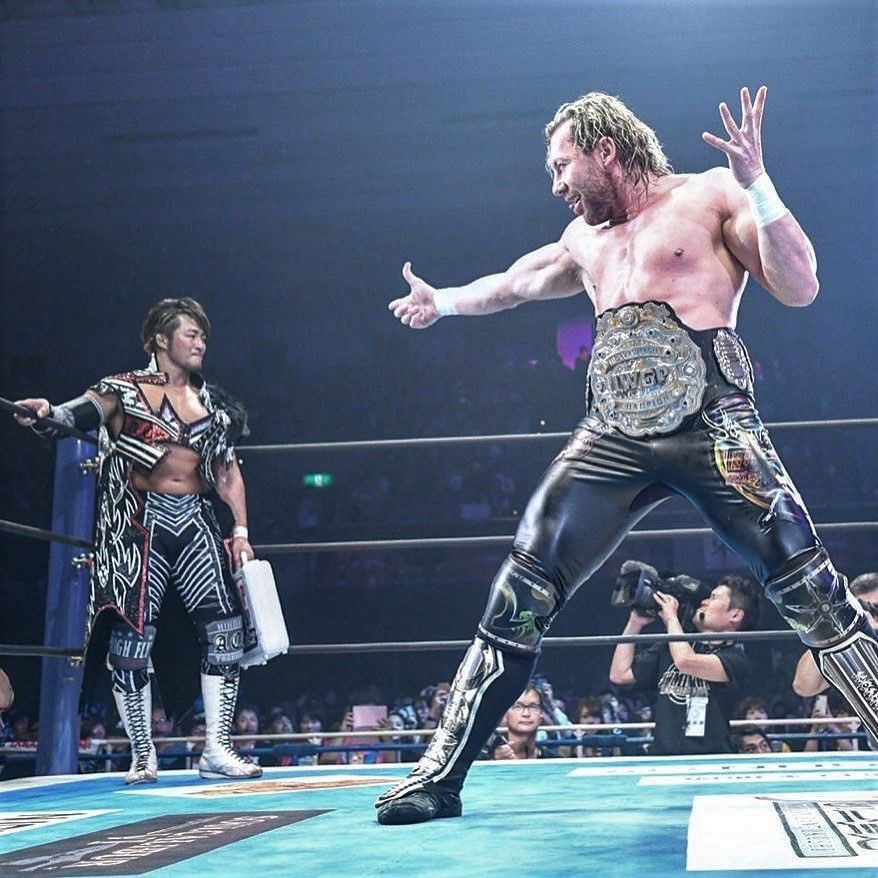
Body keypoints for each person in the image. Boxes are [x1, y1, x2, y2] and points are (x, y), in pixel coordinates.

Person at [375, 86, 878, 825]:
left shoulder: (709, 196)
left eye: (561, 164)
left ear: (604, 148)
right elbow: (513, 285)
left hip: (716, 423)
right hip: (611, 433)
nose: (554, 184)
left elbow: (800, 286)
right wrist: (443, 301)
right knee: (521, 589)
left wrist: (758, 183)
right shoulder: (585, 241)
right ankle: (438, 774)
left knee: (810, 587)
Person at [13, 298, 262, 784]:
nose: (200, 343)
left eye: (203, 336)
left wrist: (241, 530)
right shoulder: (123, 390)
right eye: (190, 334)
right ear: (160, 340)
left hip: (194, 519)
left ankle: (217, 748)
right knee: (132, 636)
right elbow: (78, 413)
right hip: (137, 523)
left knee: (226, 628)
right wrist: (49, 411)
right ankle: (142, 754)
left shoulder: (213, 402)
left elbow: (228, 471)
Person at [609, 575, 757, 755]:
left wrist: (672, 619)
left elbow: (685, 662)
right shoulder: (672, 646)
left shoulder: (736, 658)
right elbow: (620, 674)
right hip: (663, 757)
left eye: (713, 598)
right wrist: (634, 624)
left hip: (710, 759)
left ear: (735, 615)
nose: (704, 602)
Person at [792, 573, 878, 697]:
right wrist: (835, 631)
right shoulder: (849, 649)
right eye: (865, 608)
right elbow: (804, 686)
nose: (872, 614)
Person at [486, 686, 559, 760]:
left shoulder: (556, 762)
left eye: (533, 707)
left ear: (541, 714)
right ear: (505, 715)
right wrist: (495, 764)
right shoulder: (480, 762)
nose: (526, 713)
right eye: (517, 707)